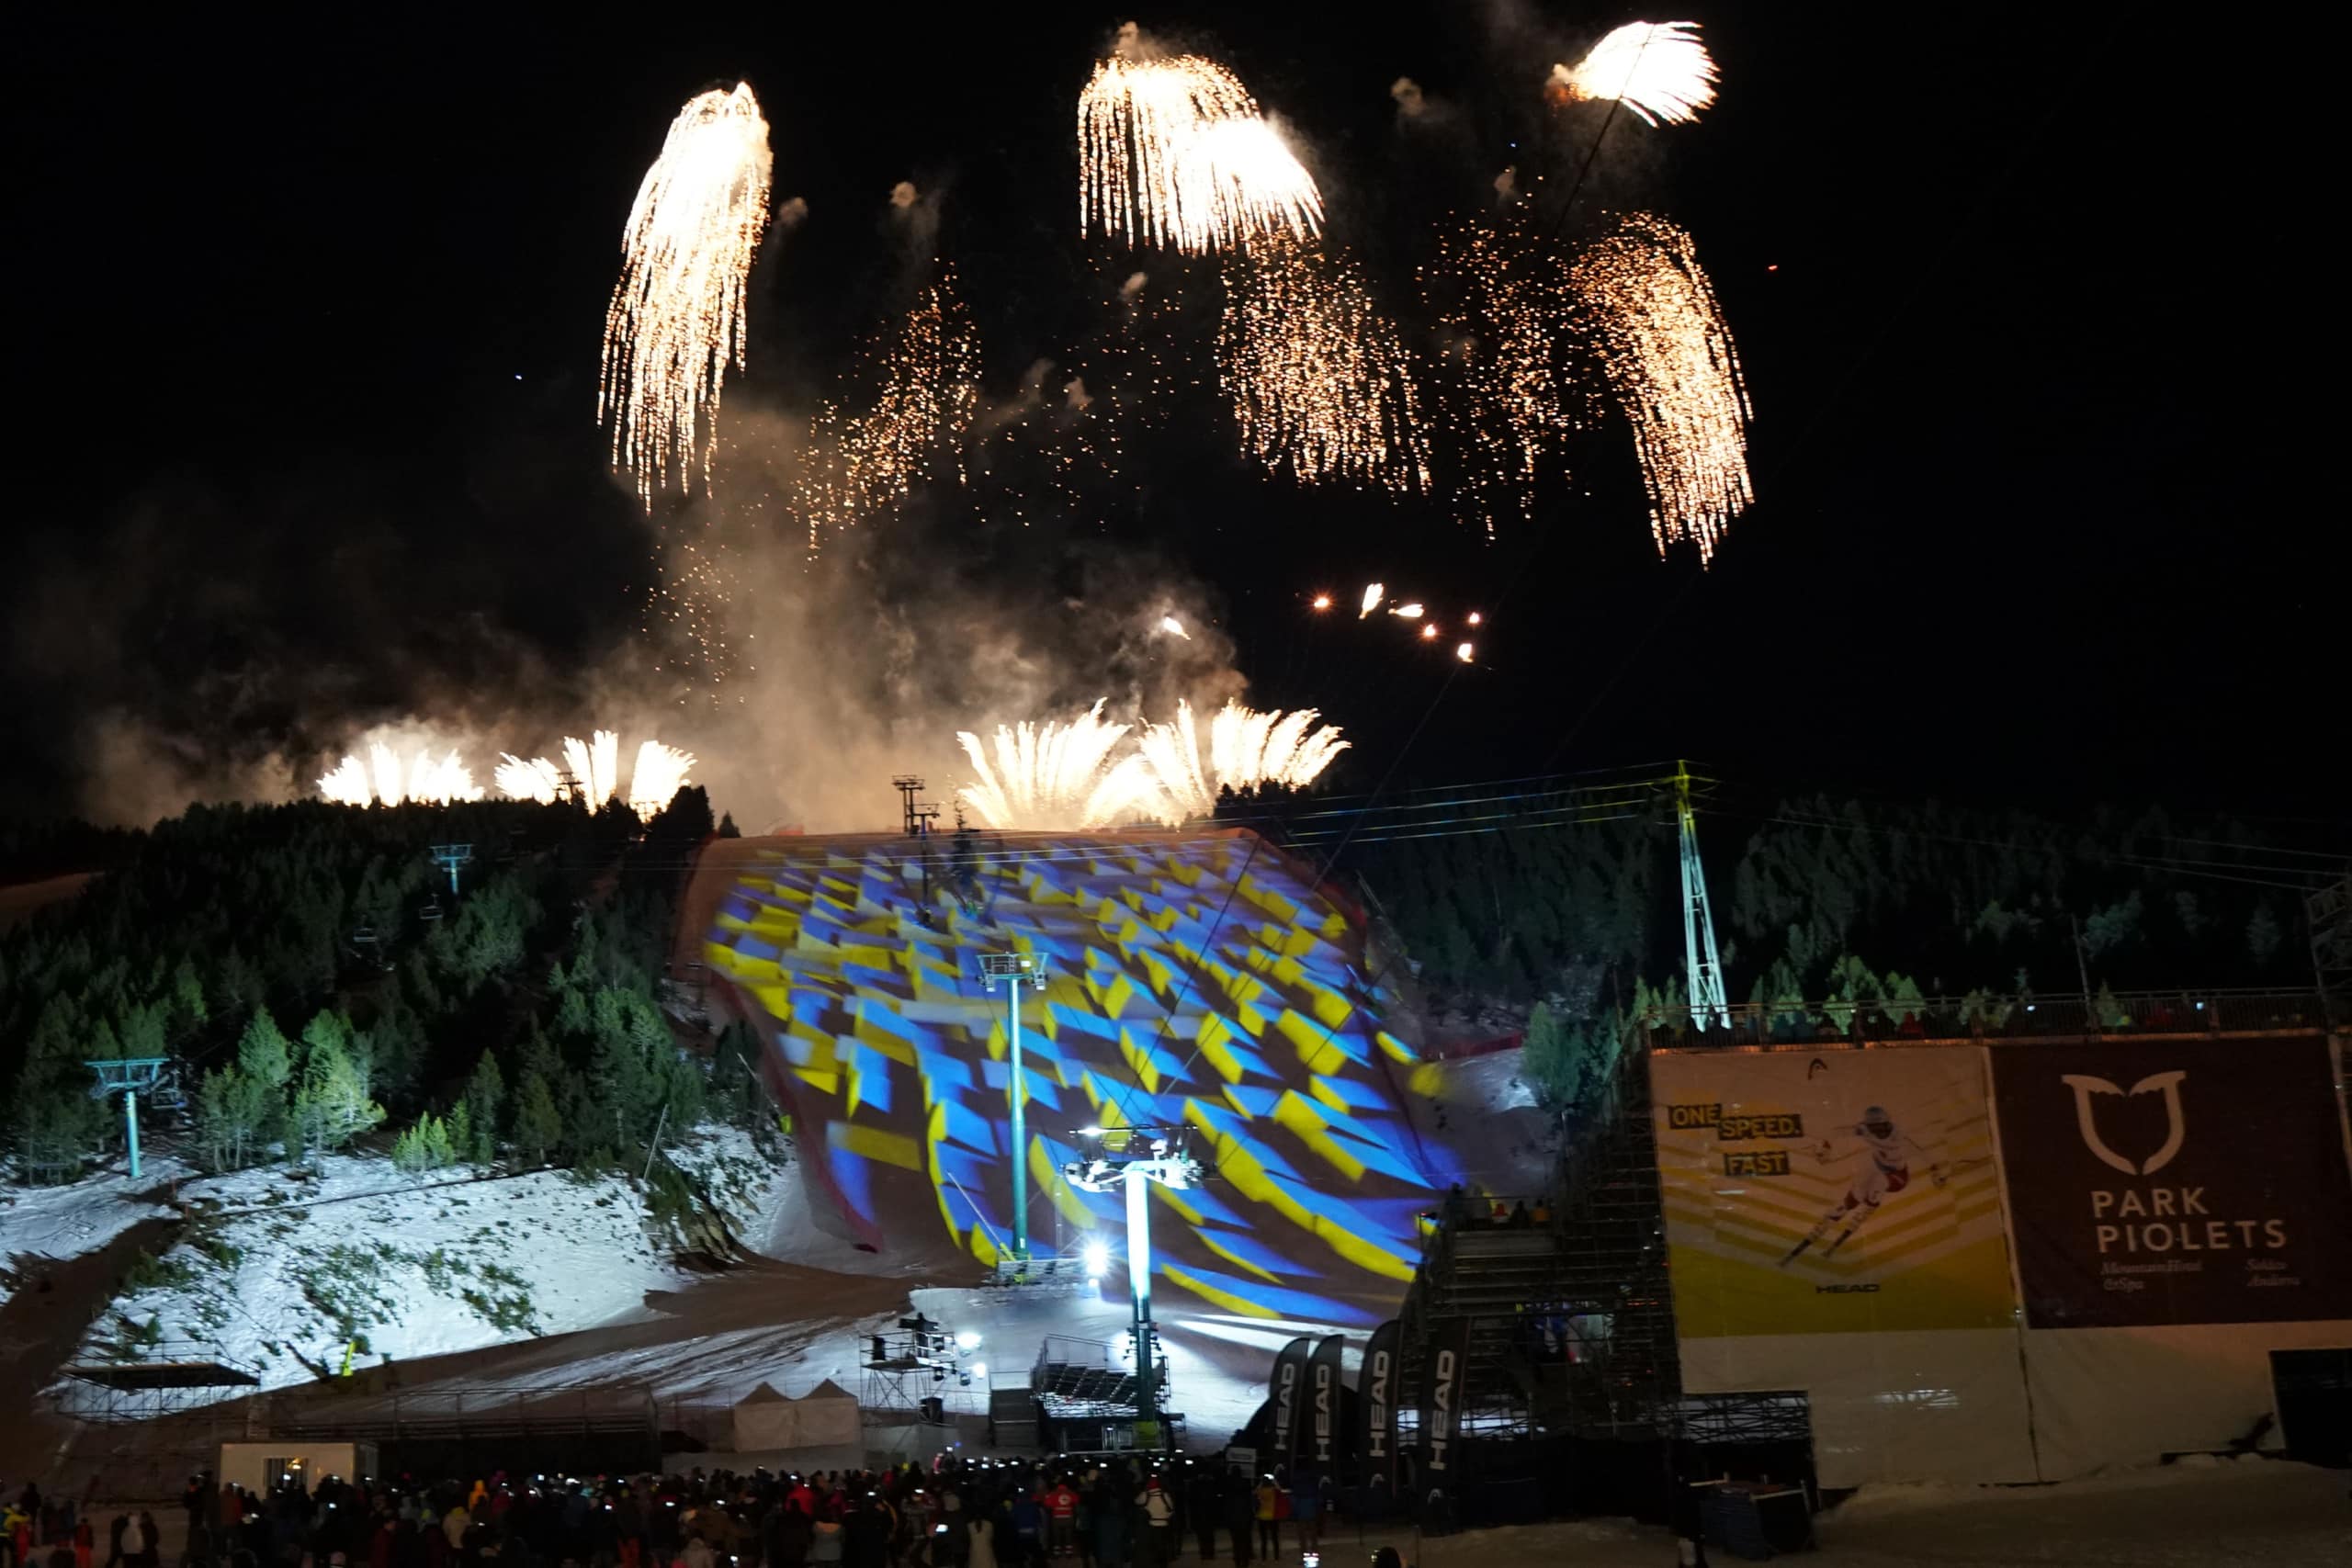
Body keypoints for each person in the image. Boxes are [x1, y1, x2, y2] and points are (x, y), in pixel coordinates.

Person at [1781, 1103, 1946, 1266]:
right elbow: (1837, 1132)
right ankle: (1825, 1226)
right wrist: (1825, 1146)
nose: (1878, 1132)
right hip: (1877, 1169)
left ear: (1887, 1123)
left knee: (1878, 1182)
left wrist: (1935, 1171)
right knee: (1854, 1194)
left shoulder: (1898, 1135)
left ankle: (1866, 1208)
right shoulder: (1865, 1129)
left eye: (1881, 1127)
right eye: (1874, 1128)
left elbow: (1920, 1152)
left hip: (1898, 1177)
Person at [1250, 1482, 1277, 1563]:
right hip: (1272, 1516)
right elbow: (1280, 1490)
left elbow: (1253, 1492)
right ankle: (1276, 1557)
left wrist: (1260, 1484)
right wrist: (1274, 1482)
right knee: (1275, 1538)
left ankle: (1264, 1558)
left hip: (1262, 1516)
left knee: (1263, 1539)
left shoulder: (1260, 1490)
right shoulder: (1273, 1490)